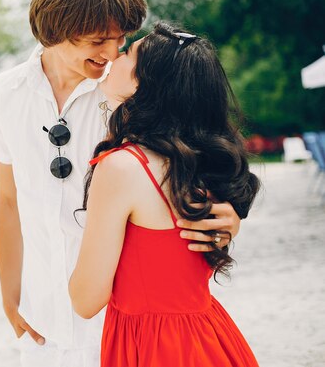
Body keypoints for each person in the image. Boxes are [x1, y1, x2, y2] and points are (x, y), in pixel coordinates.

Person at [0, 0, 242, 366]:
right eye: (97, 40)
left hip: (119, 325)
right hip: (41, 320)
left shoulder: (129, 90)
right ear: (56, 28)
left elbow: (196, 149)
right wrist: (10, 296)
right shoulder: (3, 93)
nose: (112, 51)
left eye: (121, 39)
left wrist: (228, 213)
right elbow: (7, 201)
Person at [69, 22, 261, 366]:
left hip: (153, 347)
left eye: (127, 53)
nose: (115, 55)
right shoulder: (202, 161)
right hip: (210, 335)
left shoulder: (121, 168)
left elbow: (86, 301)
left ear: (144, 84)